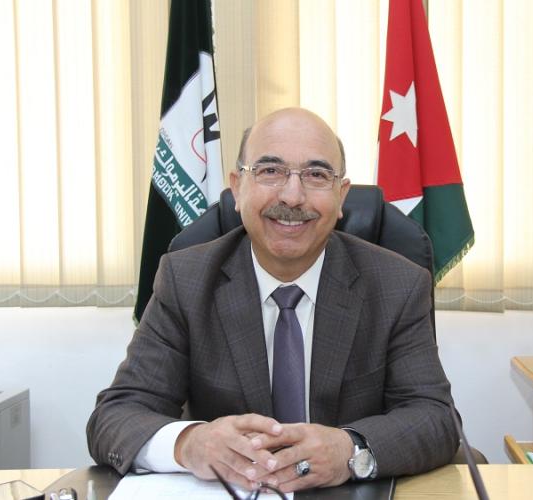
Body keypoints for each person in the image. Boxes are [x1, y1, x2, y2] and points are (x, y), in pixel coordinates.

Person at [86, 108, 458, 493]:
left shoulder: (397, 284)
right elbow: (115, 417)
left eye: (316, 175)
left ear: (341, 195)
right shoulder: (186, 281)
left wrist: (351, 449)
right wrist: (188, 443)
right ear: (237, 188)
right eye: (270, 171)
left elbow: (436, 419)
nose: (292, 197)